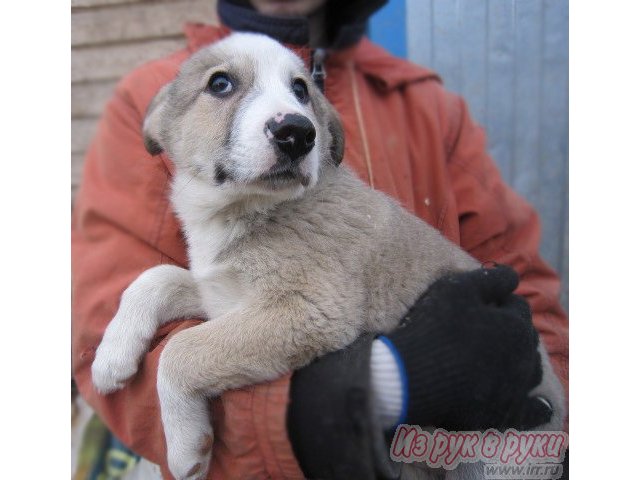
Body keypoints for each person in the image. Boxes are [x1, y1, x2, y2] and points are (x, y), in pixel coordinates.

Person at [71, 0, 569, 478]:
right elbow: (106, 339)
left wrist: (566, 437)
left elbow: (521, 282)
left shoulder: (426, 106)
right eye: (223, 85)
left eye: (301, 93)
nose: (293, 124)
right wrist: (367, 389)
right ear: (163, 124)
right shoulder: (146, 94)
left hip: (491, 440)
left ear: (325, 136)